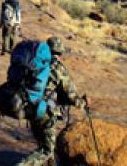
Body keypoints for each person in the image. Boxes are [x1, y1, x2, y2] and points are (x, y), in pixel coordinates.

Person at [17, 37, 90, 166]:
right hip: (46, 112)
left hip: (30, 108)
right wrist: (83, 103)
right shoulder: (58, 68)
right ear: (60, 52)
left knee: (45, 145)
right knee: (46, 150)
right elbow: (71, 95)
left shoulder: (34, 63)